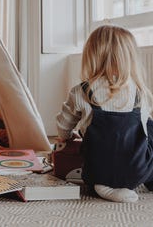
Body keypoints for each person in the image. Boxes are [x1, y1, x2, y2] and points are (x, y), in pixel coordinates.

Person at [56, 25, 153, 203]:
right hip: (137, 171)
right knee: (149, 126)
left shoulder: (82, 91)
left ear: (91, 56)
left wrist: (66, 137)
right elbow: (144, 134)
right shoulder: (139, 92)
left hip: (96, 170)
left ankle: (103, 186)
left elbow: (62, 128)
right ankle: (138, 182)